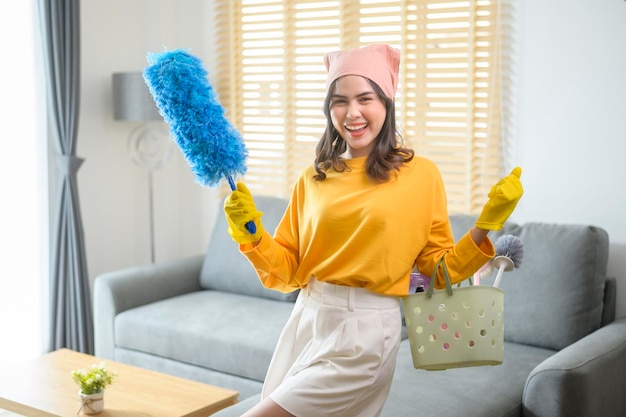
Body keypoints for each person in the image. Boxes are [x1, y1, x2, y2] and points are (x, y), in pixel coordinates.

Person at [223, 44, 523, 417]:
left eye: (365, 98)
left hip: (365, 333)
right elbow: (286, 273)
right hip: (308, 319)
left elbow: (437, 270)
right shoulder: (314, 178)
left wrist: (485, 224)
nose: (352, 113)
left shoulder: (420, 175)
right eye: (339, 101)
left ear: (386, 102)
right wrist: (250, 235)